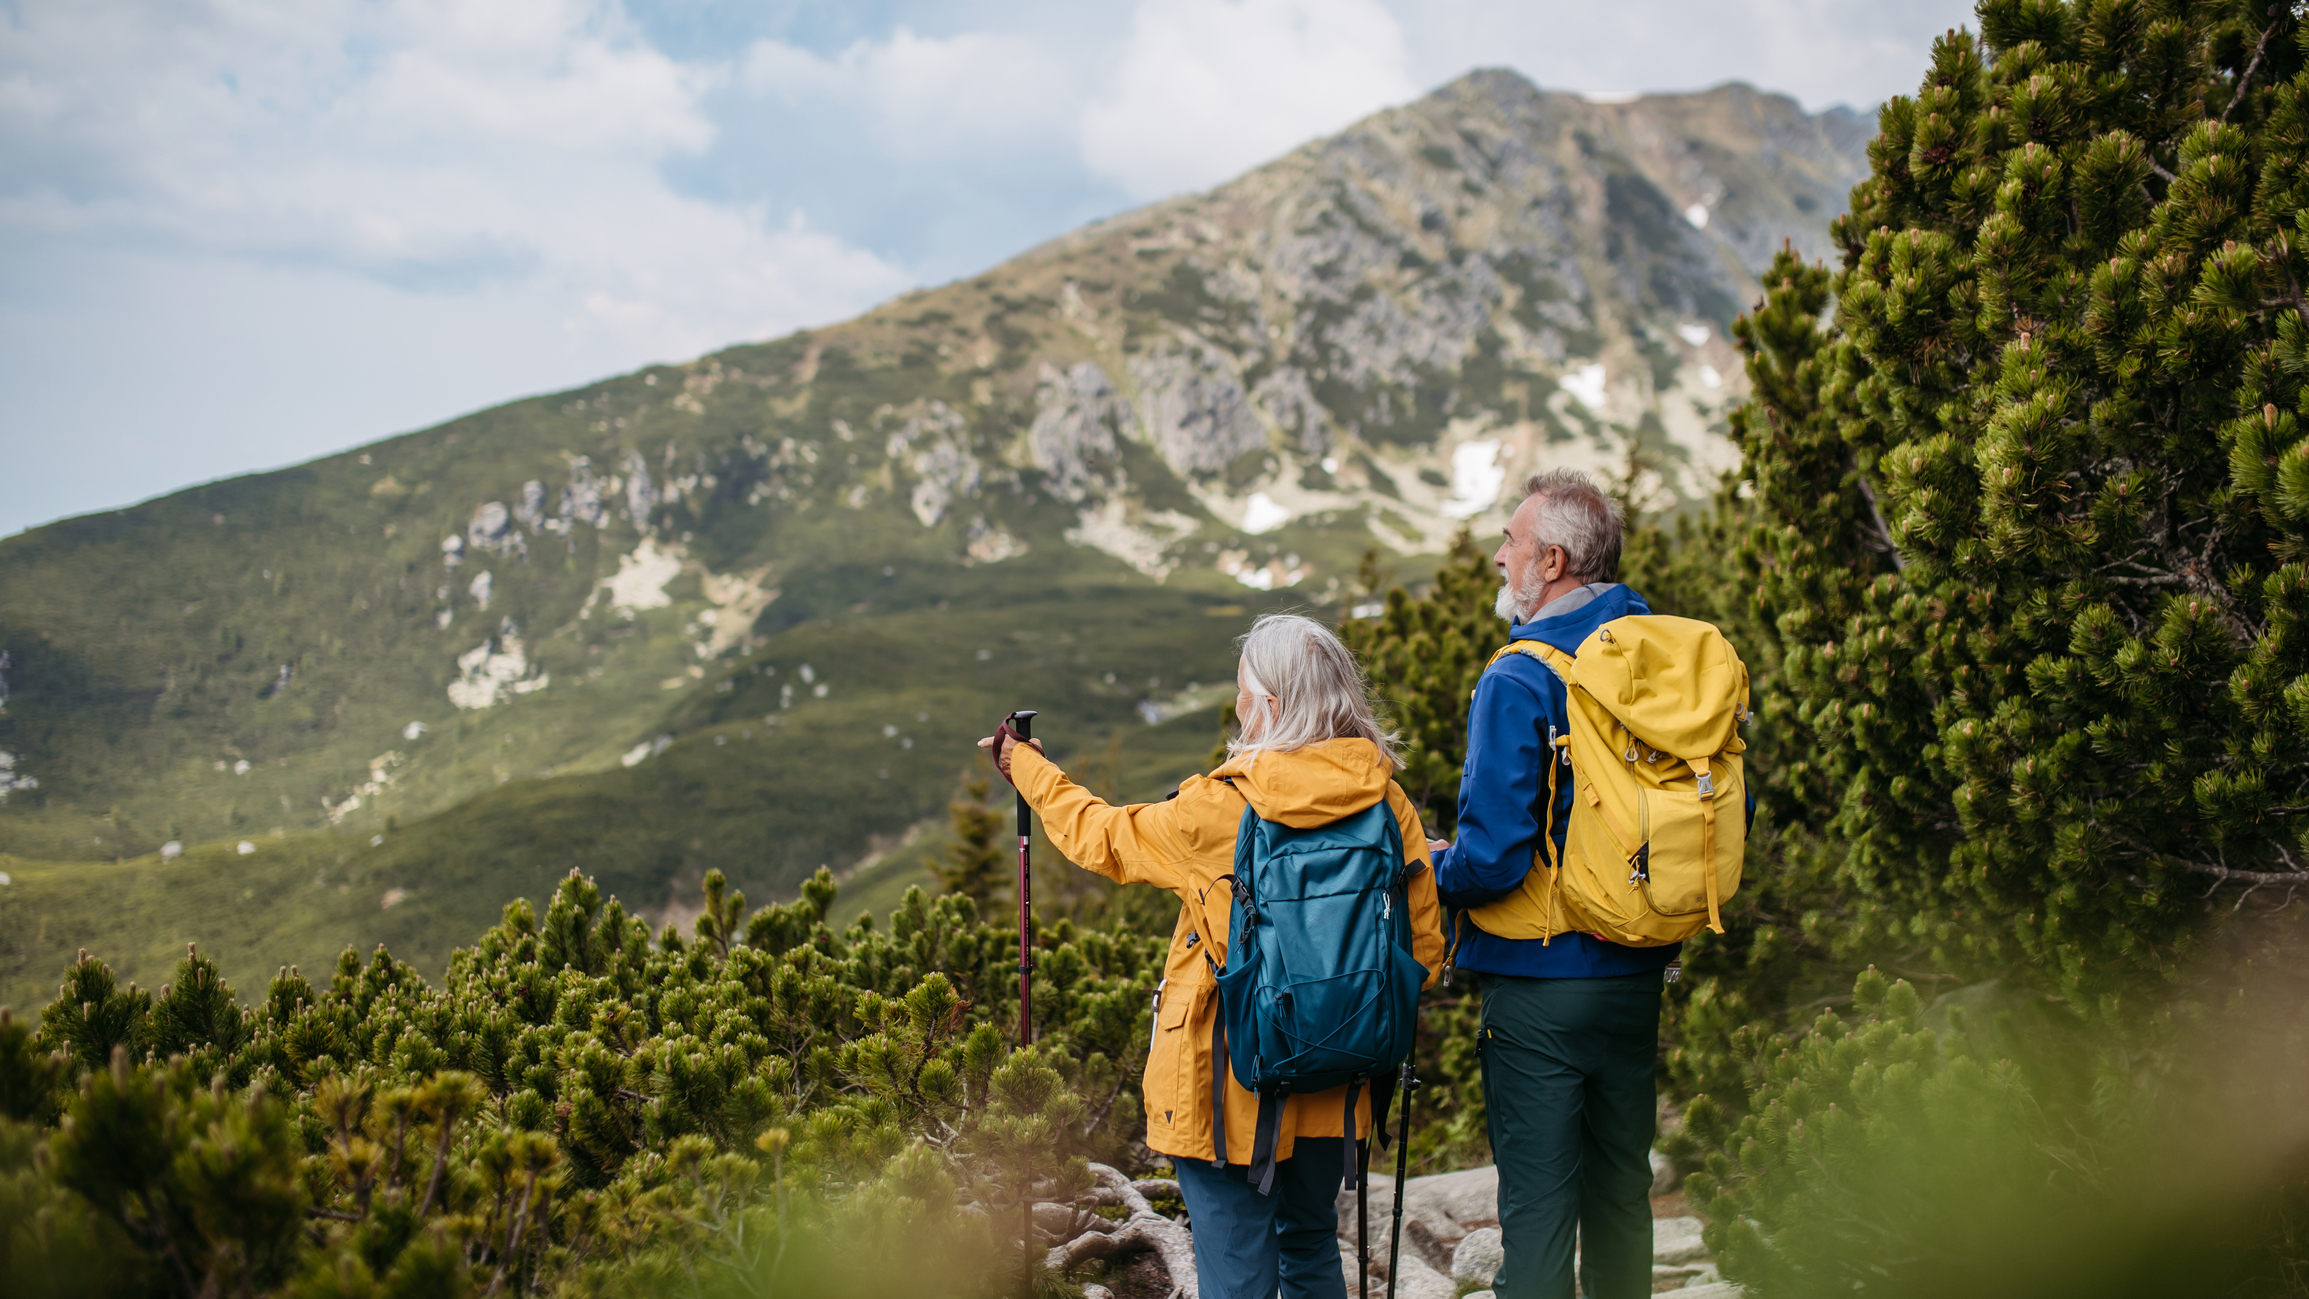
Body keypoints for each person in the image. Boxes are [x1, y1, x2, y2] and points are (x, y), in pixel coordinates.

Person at [981, 613, 1447, 1299]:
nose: (1236, 703)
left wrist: (1025, 766)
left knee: (1235, 1271)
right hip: (1340, 1075)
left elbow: (1099, 836)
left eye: (1242, 688)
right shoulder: (1387, 801)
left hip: (1227, 1085)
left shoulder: (1218, 807)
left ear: (1270, 704)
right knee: (1311, 1246)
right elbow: (1424, 953)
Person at [1426, 468, 1670, 1299]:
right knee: (1620, 1197)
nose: (1500, 556)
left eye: (1511, 541)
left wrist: (1427, 864)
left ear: (1553, 559)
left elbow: (1491, 859)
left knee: (1535, 1215)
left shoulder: (1519, 675)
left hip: (1539, 982)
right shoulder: (1655, 649)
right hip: (1637, 965)